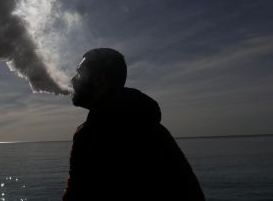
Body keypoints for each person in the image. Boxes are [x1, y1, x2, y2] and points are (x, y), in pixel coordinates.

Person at [63, 48, 205, 200]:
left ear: (99, 79)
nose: (72, 80)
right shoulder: (152, 127)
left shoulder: (92, 136)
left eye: (79, 74)